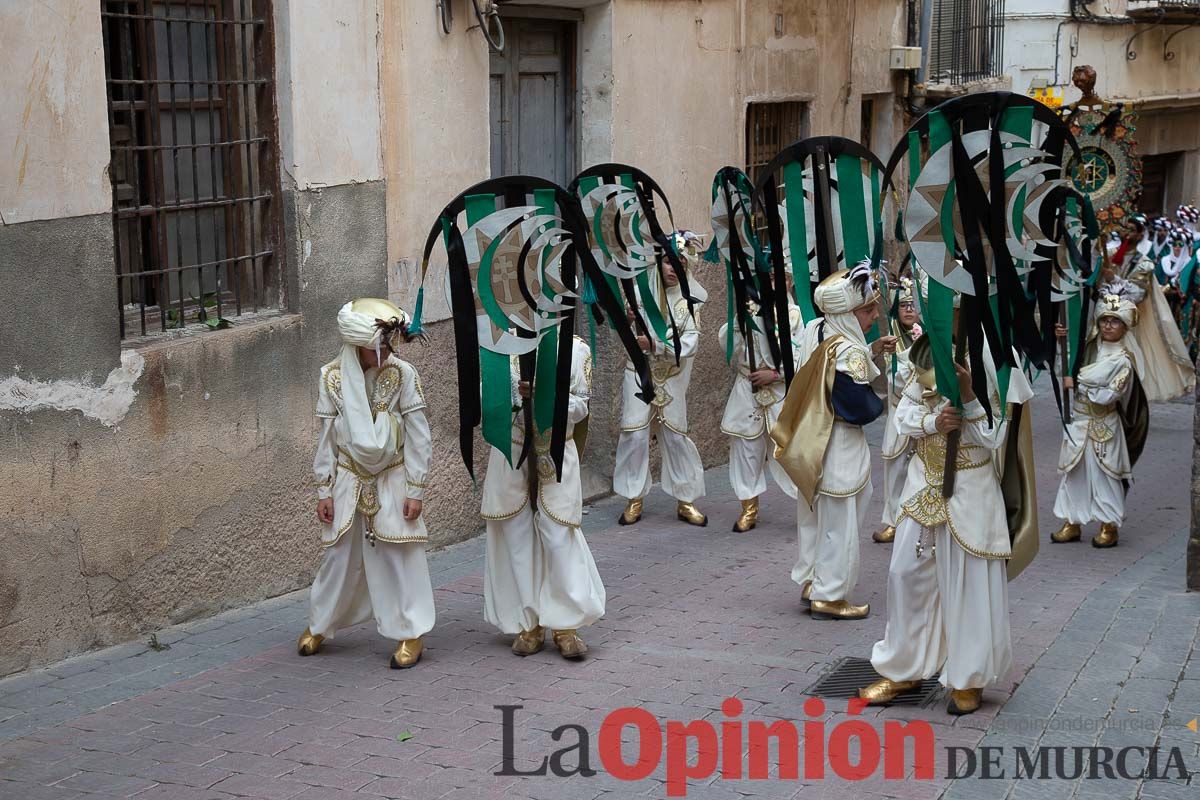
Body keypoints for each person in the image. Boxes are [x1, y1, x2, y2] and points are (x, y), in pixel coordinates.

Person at [859, 323, 1036, 716]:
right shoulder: (925, 349)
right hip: (924, 482)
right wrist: (931, 424)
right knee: (905, 574)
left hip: (971, 486)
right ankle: (903, 669)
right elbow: (903, 414)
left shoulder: (997, 357)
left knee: (969, 583)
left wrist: (971, 398)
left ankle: (967, 678)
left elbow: (996, 435)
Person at [298, 299, 436, 669]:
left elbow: (419, 435)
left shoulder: (403, 374)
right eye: (381, 344)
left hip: (392, 474)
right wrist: (323, 489)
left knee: (398, 553)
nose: (388, 351)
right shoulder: (331, 376)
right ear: (358, 343)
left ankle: (411, 631)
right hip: (348, 477)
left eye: (392, 344)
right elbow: (326, 437)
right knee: (337, 555)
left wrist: (415, 489)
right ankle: (321, 623)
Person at [773, 262, 895, 620]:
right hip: (841, 445)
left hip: (814, 445)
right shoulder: (850, 353)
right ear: (847, 313)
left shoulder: (816, 331)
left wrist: (870, 351)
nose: (874, 315)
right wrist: (884, 401)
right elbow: (860, 407)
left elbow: (826, 375)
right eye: (867, 310)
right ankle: (831, 595)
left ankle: (813, 580)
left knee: (815, 517)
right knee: (841, 523)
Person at [482, 335, 605, 659]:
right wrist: (514, 396)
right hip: (512, 450)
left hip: (554, 450)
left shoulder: (575, 349)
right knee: (517, 536)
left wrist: (546, 396)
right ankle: (530, 620)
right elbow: (486, 395)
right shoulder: (500, 346)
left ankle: (565, 624)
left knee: (557, 533)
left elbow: (580, 405)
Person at [614, 231, 708, 528]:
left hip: (671, 377)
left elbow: (690, 342)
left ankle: (685, 499)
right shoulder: (640, 294)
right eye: (667, 261)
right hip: (639, 374)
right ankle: (633, 497)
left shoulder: (690, 302)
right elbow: (625, 335)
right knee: (634, 435)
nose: (672, 268)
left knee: (676, 437)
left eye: (678, 261)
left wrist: (656, 345)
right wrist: (627, 320)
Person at [1051, 286, 1149, 548]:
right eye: (1105, 319)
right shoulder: (1088, 348)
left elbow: (1108, 396)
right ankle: (1072, 522)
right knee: (1074, 475)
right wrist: (1060, 339)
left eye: (1115, 321)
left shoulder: (1124, 360)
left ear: (1125, 326)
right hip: (1079, 422)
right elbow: (1066, 365)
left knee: (1106, 476)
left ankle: (1109, 525)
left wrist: (1078, 383)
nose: (1108, 325)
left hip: (1105, 425)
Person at [719, 272, 803, 532]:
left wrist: (775, 374)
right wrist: (739, 320)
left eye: (782, 279)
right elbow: (728, 344)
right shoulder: (749, 310)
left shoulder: (794, 316)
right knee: (746, 450)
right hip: (748, 389)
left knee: (790, 451)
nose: (776, 283)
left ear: (790, 282)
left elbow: (802, 355)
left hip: (780, 391)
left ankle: (809, 504)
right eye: (770, 279)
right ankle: (749, 508)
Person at [874, 275, 922, 544]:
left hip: (924, 413)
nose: (907, 309)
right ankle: (892, 521)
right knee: (894, 467)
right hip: (898, 412)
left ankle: (914, 522)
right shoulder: (892, 341)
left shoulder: (928, 337)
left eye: (912, 304)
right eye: (902, 305)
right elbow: (896, 380)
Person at [1121, 246, 1195, 401]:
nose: (1176, 248)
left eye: (1180, 245)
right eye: (1174, 244)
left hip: (1183, 303)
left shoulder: (1144, 262)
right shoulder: (1163, 261)